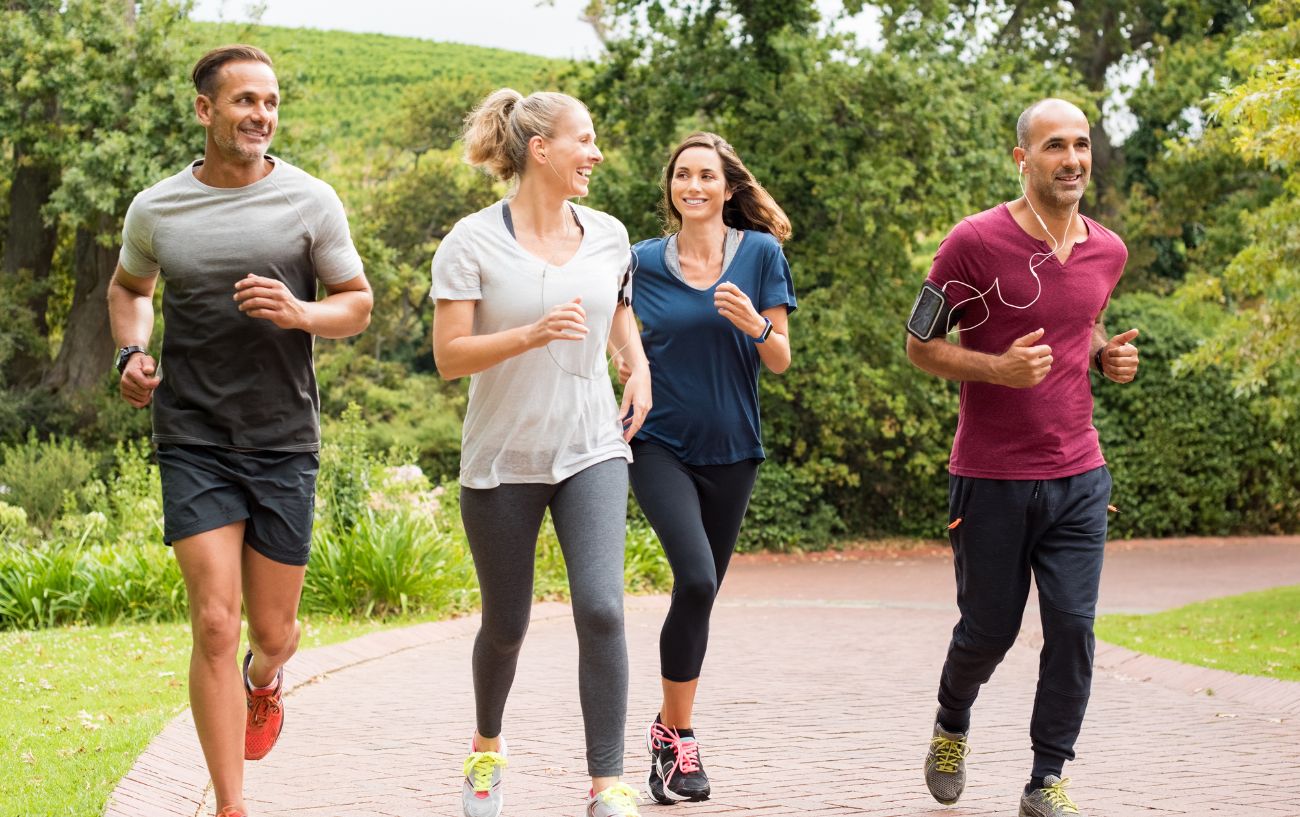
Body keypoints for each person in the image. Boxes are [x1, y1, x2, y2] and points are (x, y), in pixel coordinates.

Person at [107, 45, 372, 817]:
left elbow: (355, 303)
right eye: (245, 101)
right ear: (205, 110)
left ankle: (268, 678)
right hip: (192, 430)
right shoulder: (157, 209)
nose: (261, 114)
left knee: (274, 631)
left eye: (271, 101)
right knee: (215, 620)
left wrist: (300, 311)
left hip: (284, 434)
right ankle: (230, 805)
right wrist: (131, 350)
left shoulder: (309, 201)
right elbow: (129, 288)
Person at [905, 98, 1140, 817]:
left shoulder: (1109, 250)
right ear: (1022, 158)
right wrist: (994, 368)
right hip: (991, 476)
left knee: (1073, 625)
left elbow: (1082, 318)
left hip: (1077, 470)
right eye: (1054, 146)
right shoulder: (972, 242)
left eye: (1081, 145)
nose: (1072, 159)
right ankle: (952, 720)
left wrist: (1104, 355)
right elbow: (919, 345)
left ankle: (1046, 778)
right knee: (989, 629)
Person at [430, 88, 651, 817]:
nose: (594, 153)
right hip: (501, 459)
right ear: (541, 150)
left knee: (602, 608)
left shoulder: (610, 234)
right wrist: (527, 334)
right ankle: (487, 747)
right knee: (506, 623)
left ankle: (606, 782)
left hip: (590, 447)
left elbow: (618, 311)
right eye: (583, 140)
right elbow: (450, 356)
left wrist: (637, 366)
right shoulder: (471, 242)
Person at [623, 132, 796, 805]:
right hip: (655, 440)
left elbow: (780, 357)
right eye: (682, 175)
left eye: (706, 175)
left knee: (701, 593)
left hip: (734, 448)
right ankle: (684, 736)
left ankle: (665, 740)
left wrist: (755, 323)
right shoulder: (639, 261)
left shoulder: (759, 254)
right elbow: (620, 335)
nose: (693, 185)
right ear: (672, 187)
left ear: (728, 187)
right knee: (694, 575)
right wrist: (627, 363)